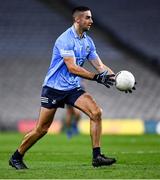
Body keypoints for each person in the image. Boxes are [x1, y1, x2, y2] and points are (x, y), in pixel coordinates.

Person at [9, 6, 130, 170]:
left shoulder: (88, 41)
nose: (91, 21)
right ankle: (16, 157)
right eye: (88, 18)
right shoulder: (64, 39)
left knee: (96, 113)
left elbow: (100, 66)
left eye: (91, 17)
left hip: (73, 88)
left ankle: (97, 156)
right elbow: (72, 68)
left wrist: (118, 80)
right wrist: (96, 78)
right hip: (53, 88)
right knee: (42, 129)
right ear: (77, 19)